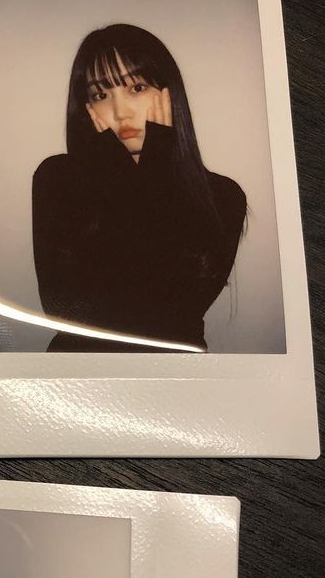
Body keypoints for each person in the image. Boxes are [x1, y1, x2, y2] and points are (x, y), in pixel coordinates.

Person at [32, 23, 247, 353]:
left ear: (168, 93)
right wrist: (118, 173)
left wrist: (152, 173)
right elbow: (67, 313)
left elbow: (169, 317)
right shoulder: (57, 178)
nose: (120, 112)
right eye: (101, 95)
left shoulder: (224, 197)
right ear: (86, 108)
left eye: (137, 87)